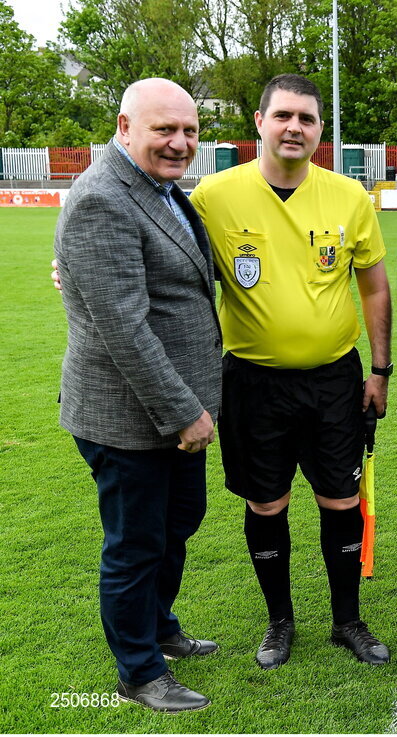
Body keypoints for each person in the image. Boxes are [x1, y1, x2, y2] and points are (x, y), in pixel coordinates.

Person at [189, 74, 392, 669]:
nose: (294, 127)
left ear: (320, 130)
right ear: (259, 122)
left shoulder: (349, 197)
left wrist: (380, 369)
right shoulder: (212, 197)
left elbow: (375, 289)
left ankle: (347, 620)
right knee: (266, 504)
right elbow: (157, 251)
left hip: (334, 379)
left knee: (340, 498)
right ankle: (280, 620)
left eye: (307, 118)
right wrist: (71, 262)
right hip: (252, 381)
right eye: (283, 116)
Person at [54, 78, 221, 713]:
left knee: (177, 523)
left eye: (189, 130)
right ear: (125, 128)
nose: (179, 143)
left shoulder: (161, 190)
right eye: (164, 130)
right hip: (129, 416)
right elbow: (123, 327)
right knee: (135, 544)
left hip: (176, 408)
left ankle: (159, 629)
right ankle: (140, 672)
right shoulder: (103, 198)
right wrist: (183, 411)